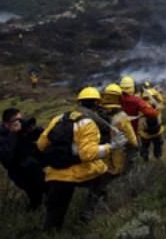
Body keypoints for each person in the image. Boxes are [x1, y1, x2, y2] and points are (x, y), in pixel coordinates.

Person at [37, 87, 127, 231]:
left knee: (54, 215)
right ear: (97, 104)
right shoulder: (88, 123)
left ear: (79, 102)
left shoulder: (58, 118)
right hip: (82, 173)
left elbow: (41, 145)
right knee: (101, 183)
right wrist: (112, 146)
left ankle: (51, 233)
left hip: (56, 174)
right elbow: (88, 154)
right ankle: (87, 219)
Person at [0, 108, 46, 210]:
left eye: (20, 119)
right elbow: (7, 158)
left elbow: (42, 134)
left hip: (35, 167)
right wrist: (12, 134)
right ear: (7, 124)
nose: (20, 122)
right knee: (36, 198)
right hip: (21, 174)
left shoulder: (22, 130)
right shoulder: (0, 139)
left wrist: (32, 129)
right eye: (17, 120)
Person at [101, 84, 139, 176]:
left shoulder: (97, 114)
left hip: (101, 155)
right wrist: (135, 146)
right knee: (119, 174)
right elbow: (131, 139)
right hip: (118, 154)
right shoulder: (121, 116)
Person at [139, 81, 165, 160]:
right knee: (158, 146)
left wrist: (142, 93)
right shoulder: (158, 105)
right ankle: (158, 159)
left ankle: (145, 160)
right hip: (157, 131)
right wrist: (154, 91)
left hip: (145, 133)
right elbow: (161, 98)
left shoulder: (140, 105)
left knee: (144, 147)